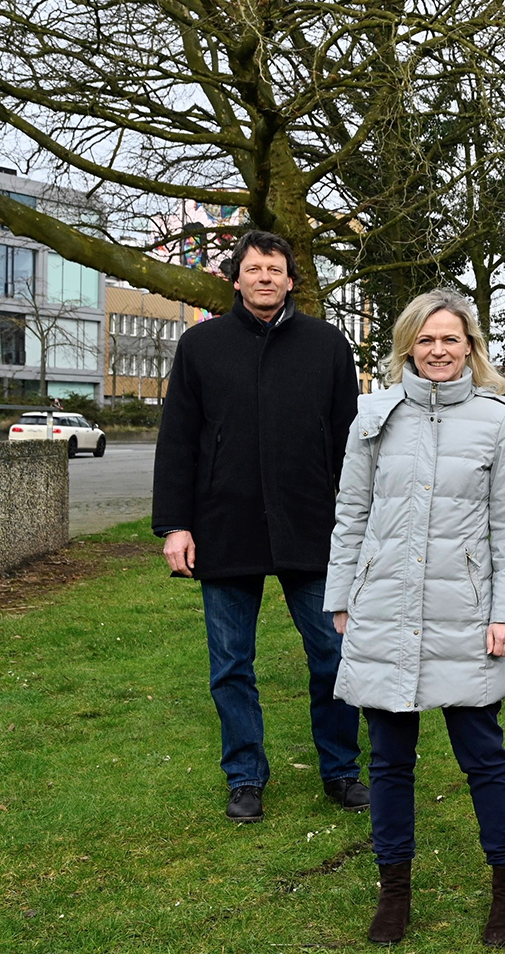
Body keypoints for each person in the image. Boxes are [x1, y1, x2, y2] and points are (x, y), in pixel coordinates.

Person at [325, 289, 505, 947]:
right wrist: (340, 599)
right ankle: (395, 894)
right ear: (407, 347)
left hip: (464, 617)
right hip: (383, 610)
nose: (439, 350)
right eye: (426, 339)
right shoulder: (374, 417)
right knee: (388, 762)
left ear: (471, 346)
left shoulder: (500, 422)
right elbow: (351, 514)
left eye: (451, 339)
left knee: (484, 759)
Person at [152, 229, 368, 823]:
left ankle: (341, 770)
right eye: (255, 268)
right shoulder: (201, 345)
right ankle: (244, 777)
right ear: (237, 277)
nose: (266, 277)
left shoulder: (328, 345)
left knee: (333, 653)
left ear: (291, 279)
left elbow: (350, 443)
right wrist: (176, 525)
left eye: (276, 269)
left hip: (310, 526)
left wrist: (357, 523)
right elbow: (177, 442)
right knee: (230, 664)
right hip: (224, 525)